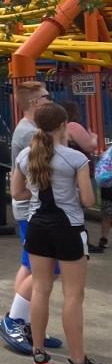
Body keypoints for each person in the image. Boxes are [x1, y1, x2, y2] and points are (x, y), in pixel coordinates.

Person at [12, 102, 106, 364]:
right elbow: (88, 200)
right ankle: (77, 361)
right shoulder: (75, 158)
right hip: (68, 229)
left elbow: (17, 194)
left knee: (40, 289)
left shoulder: (25, 155)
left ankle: (39, 354)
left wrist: (38, 192)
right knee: (73, 295)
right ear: (64, 125)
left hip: (37, 227)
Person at [0, 81, 63, 353]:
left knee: (31, 267)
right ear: (36, 102)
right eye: (47, 97)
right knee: (46, 270)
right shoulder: (31, 134)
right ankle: (15, 320)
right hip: (35, 211)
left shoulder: (28, 131)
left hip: (31, 210)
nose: (51, 100)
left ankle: (27, 323)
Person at [60, 100, 101, 252]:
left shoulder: (60, 128)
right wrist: (94, 137)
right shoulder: (73, 126)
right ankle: (81, 239)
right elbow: (89, 146)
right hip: (82, 171)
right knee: (83, 204)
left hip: (69, 170)